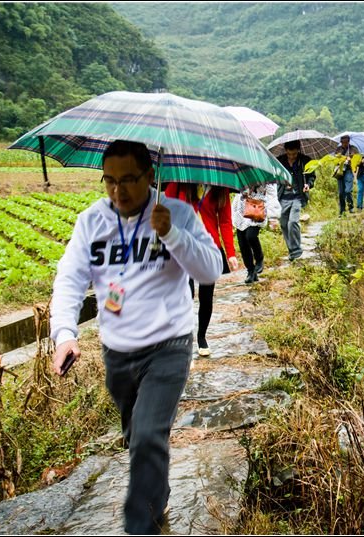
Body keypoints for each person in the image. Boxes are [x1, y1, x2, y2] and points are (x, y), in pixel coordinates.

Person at [49, 140, 223, 535]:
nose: (118, 191)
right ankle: (156, 494)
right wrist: (64, 334)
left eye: (128, 180)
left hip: (169, 346)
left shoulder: (176, 213)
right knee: (139, 438)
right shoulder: (91, 222)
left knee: (147, 435)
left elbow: (211, 270)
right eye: (109, 180)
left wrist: (173, 235)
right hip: (118, 352)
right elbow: (70, 279)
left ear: (149, 175)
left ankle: (140, 525)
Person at [163, 182, 239, 356]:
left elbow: (225, 222)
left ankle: (202, 336)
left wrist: (231, 253)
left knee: (206, 296)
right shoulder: (180, 182)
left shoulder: (221, 188)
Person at [232, 182, 281, 284]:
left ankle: (259, 259)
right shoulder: (241, 172)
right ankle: (251, 271)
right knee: (242, 242)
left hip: (257, 208)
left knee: (251, 236)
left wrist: (273, 217)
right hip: (241, 210)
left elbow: (272, 196)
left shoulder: (265, 175)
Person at [276, 139, 315, 262]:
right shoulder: (280, 161)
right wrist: (283, 182)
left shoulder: (304, 160)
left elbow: (312, 176)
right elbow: (275, 176)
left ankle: (297, 250)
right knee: (283, 223)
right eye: (289, 154)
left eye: (294, 154)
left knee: (292, 222)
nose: (291, 156)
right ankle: (291, 250)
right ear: (286, 151)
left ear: (298, 151)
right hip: (283, 196)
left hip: (298, 196)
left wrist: (308, 184)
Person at [334, 135, 356, 215]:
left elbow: (357, 160)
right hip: (340, 171)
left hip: (349, 171)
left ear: (348, 142)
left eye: (346, 142)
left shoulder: (353, 149)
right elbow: (335, 160)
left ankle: (351, 207)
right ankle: (342, 210)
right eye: (343, 142)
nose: (344, 144)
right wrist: (341, 158)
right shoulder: (338, 149)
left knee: (348, 190)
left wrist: (351, 159)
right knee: (341, 193)